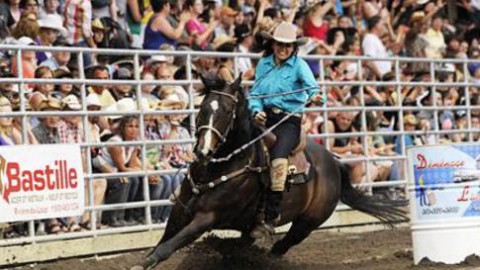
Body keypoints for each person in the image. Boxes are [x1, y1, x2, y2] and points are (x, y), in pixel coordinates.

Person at [248, 22, 322, 238]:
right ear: (273, 44)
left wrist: (315, 97)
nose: (284, 49)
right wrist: (255, 111)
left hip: (288, 120)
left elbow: (313, 89)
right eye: (280, 44)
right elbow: (254, 94)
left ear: (293, 47)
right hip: (264, 117)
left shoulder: (299, 66)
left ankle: (272, 216)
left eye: (288, 46)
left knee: (278, 157)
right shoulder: (264, 64)